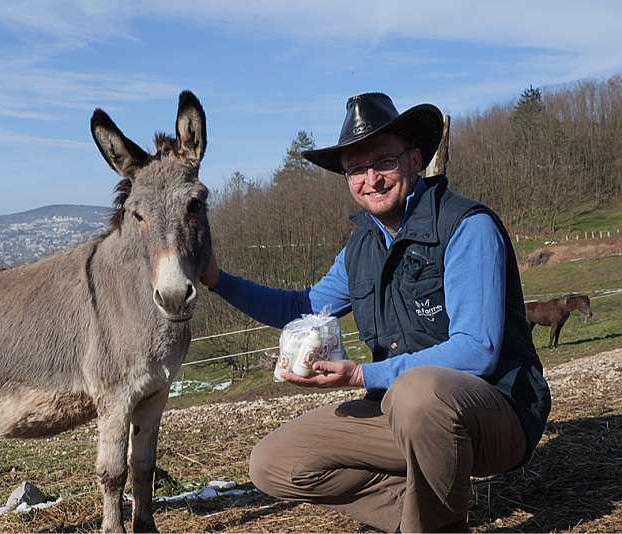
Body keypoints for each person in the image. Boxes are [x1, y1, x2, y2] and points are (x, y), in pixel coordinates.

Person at [200, 92, 551, 533]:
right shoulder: (360, 250)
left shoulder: (466, 227)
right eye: (356, 169)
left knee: (415, 392)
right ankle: (417, 514)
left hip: (497, 412)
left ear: (415, 159)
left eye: (384, 161)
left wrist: (362, 376)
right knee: (274, 463)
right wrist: (216, 279)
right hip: (404, 413)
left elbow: (477, 350)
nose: (372, 179)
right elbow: (300, 307)